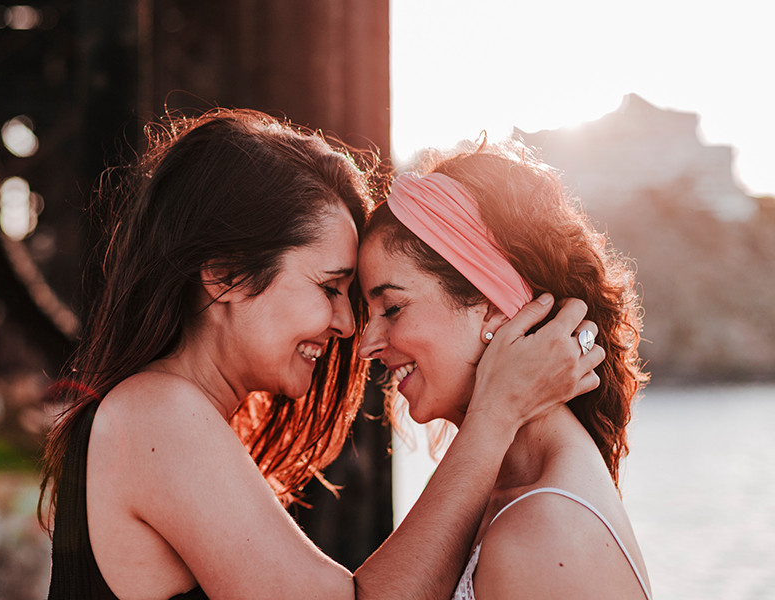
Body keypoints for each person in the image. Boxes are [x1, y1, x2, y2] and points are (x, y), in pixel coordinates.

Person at [38, 109, 602, 599]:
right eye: (330, 288)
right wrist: (494, 415)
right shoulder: (157, 415)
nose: (348, 326)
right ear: (226, 276)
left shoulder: (161, 416)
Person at [357, 138, 652, 600]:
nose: (366, 345)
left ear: (494, 306)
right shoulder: (499, 495)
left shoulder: (543, 535)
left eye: (392, 308)